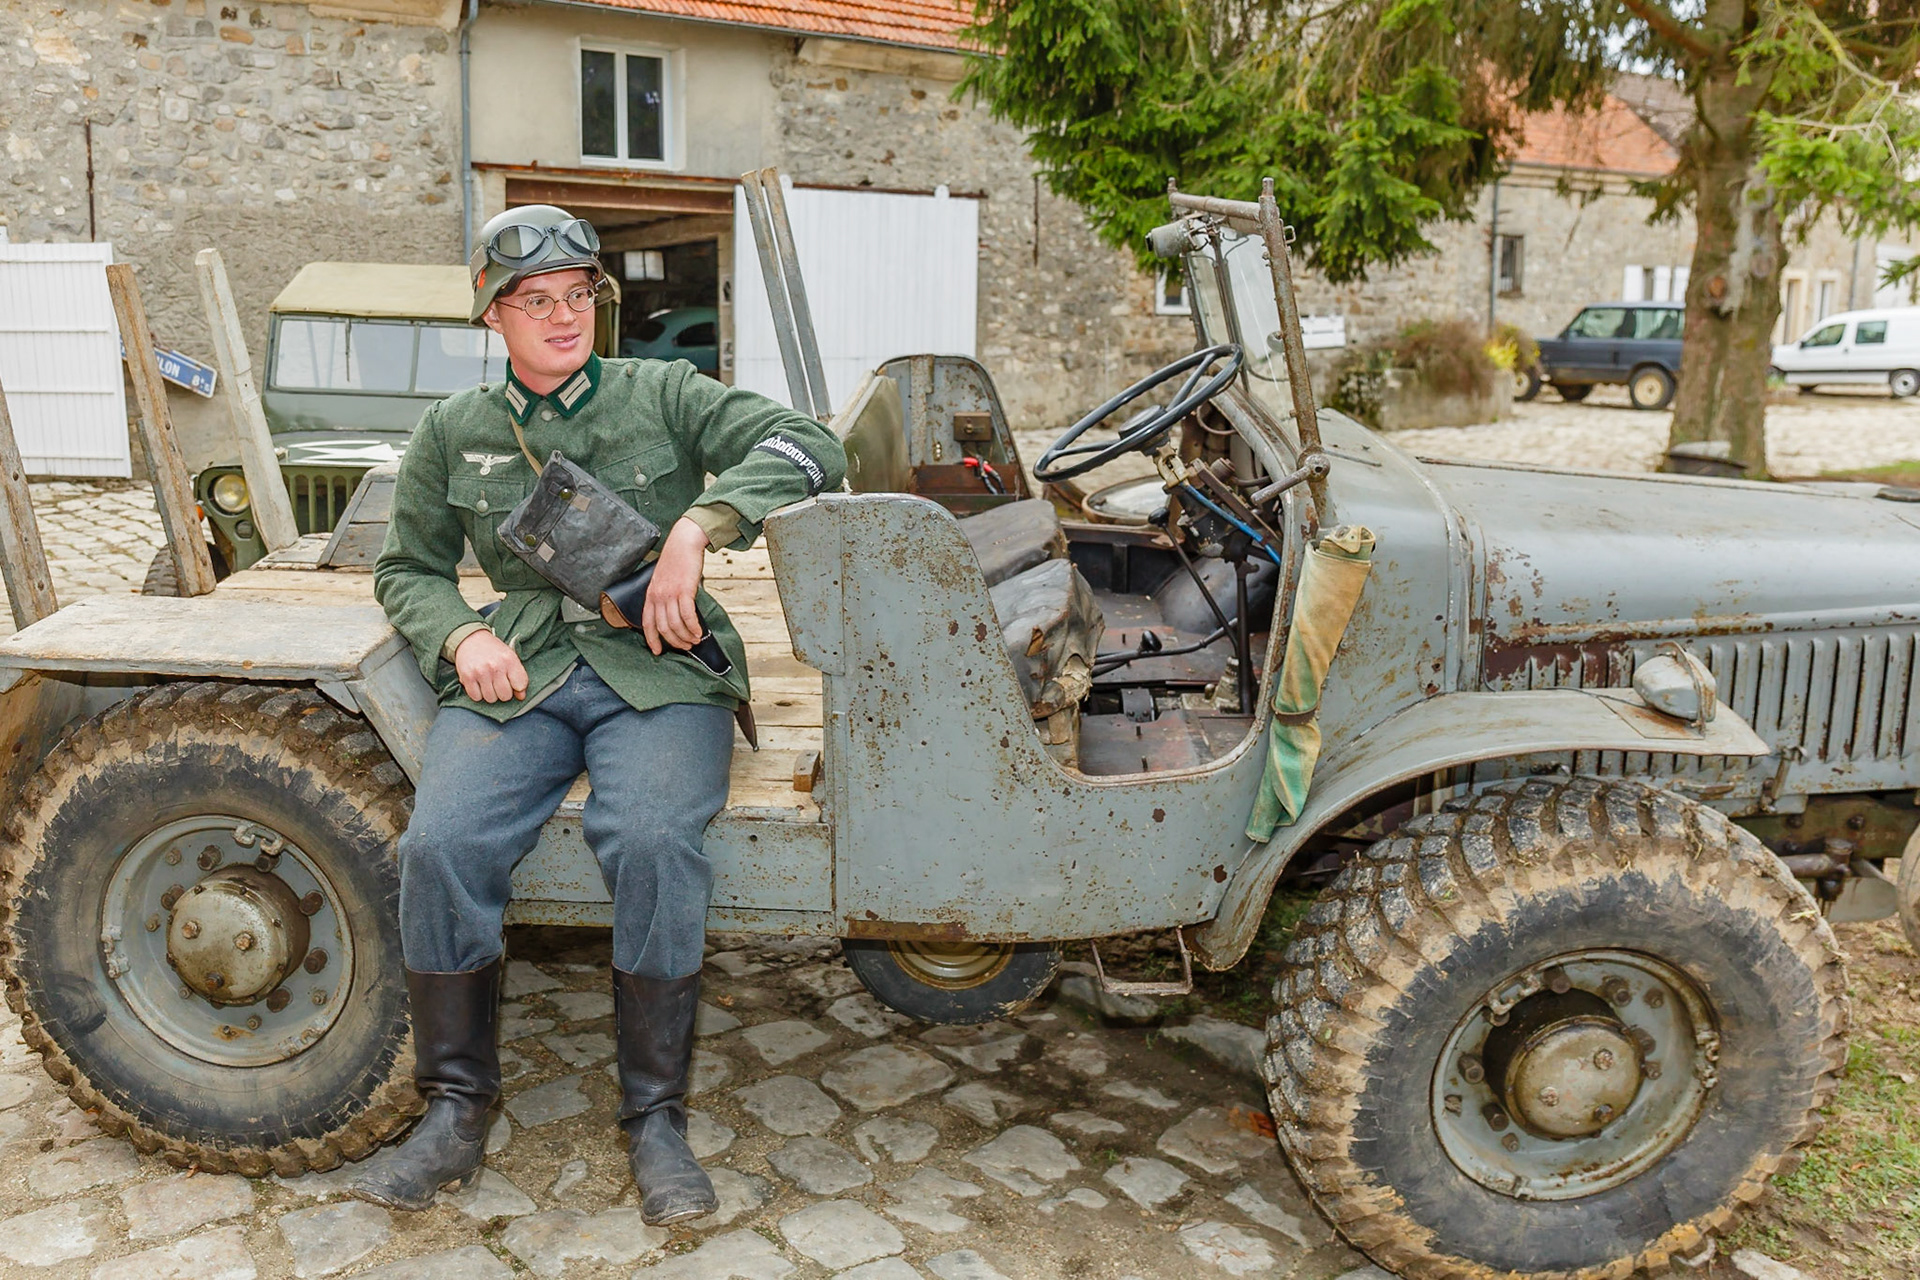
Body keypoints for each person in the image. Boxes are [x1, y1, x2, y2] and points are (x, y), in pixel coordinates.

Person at [354, 205, 846, 1222]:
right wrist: (460, 635)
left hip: (658, 664)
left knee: (655, 836)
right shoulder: (457, 431)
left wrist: (700, 526)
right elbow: (405, 567)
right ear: (495, 316)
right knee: (441, 842)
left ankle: (656, 1117)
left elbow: (808, 444)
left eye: (578, 295)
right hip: (522, 666)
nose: (563, 315)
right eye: (535, 300)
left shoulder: (660, 391)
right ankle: (454, 1106)